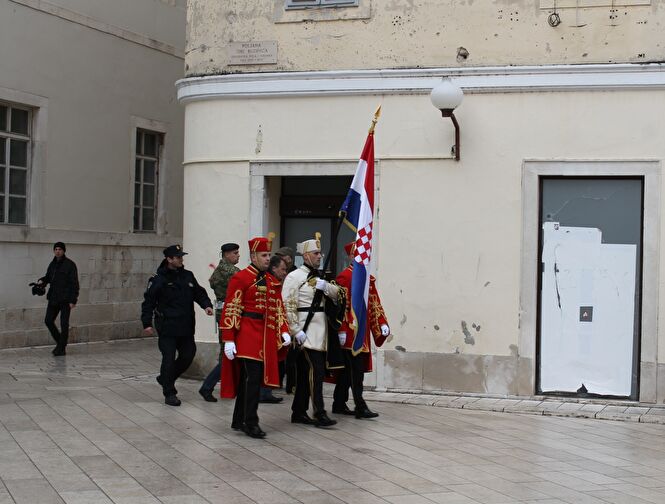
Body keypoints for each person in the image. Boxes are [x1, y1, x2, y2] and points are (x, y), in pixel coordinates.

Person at [219, 236, 291, 438]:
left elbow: (279, 307)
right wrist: (229, 338)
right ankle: (251, 422)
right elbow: (231, 308)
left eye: (269, 255)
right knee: (253, 378)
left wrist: (283, 329)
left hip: (265, 334)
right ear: (253, 256)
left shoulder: (270, 280)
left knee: (247, 380)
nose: (268, 258)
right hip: (247, 334)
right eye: (264, 255)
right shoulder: (241, 278)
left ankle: (238, 419)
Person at [282, 234, 345, 428]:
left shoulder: (321, 277)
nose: (320, 256)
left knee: (304, 374)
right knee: (315, 372)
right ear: (306, 255)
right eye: (316, 253)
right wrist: (295, 330)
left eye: (320, 253)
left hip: (321, 333)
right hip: (305, 331)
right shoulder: (294, 277)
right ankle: (319, 412)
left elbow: (340, 294)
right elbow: (288, 304)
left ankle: (298, 412)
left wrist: (326, 286)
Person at [141, 244, 214, 406]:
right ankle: (169, 393)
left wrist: (206, 305)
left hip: (186, 326)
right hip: (167, 327)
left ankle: (165, 378)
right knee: (168, 359)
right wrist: (146, 323)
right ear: (169, 259)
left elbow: (199, 293)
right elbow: (148, 302)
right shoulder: (158, 279)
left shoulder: (187, 276)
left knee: (188, 355)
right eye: (178, 257)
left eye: (182, 257)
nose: (181, 259)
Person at [332, 242, 391, 419]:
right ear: (350, 257)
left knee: (347, 372)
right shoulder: (344, 277)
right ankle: (360, 405)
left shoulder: (368, 278)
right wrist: (341, 329)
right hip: (350, 332)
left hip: (362, 332)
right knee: (355, 371)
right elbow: (341, 307)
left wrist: (382, 323)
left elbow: (374, 304)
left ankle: (339, 403)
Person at [198, 242, 240, 402]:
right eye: (235, 253)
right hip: (230, 314)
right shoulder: (231, 271)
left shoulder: (219, 270)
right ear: (226, 254)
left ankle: (212, 386)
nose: (238, 255)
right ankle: (207, 387)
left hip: (222, 313)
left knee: (228, 353)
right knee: (227, 354)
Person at [37, 242, 79, 356]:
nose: (57, 251)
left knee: (64, 324)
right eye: (56, 249)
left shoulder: (70, 265)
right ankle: (61, 344)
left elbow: (74, 283)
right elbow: (48, 277)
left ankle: (61, 348)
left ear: (64, 251)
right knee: (48, 321)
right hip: (53, 298)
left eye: (60, 249)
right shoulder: (52, 264)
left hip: (65, 299)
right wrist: (42, 281)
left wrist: (73, 300)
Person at [258, 255, 289, 404]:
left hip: (274, 327)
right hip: (263, 329)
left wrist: (284, 329)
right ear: (274, 268)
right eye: (282, 269)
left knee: (272, 360)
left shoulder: (276, 282)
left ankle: (266, 391)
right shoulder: (266, 281)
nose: (284, 272)